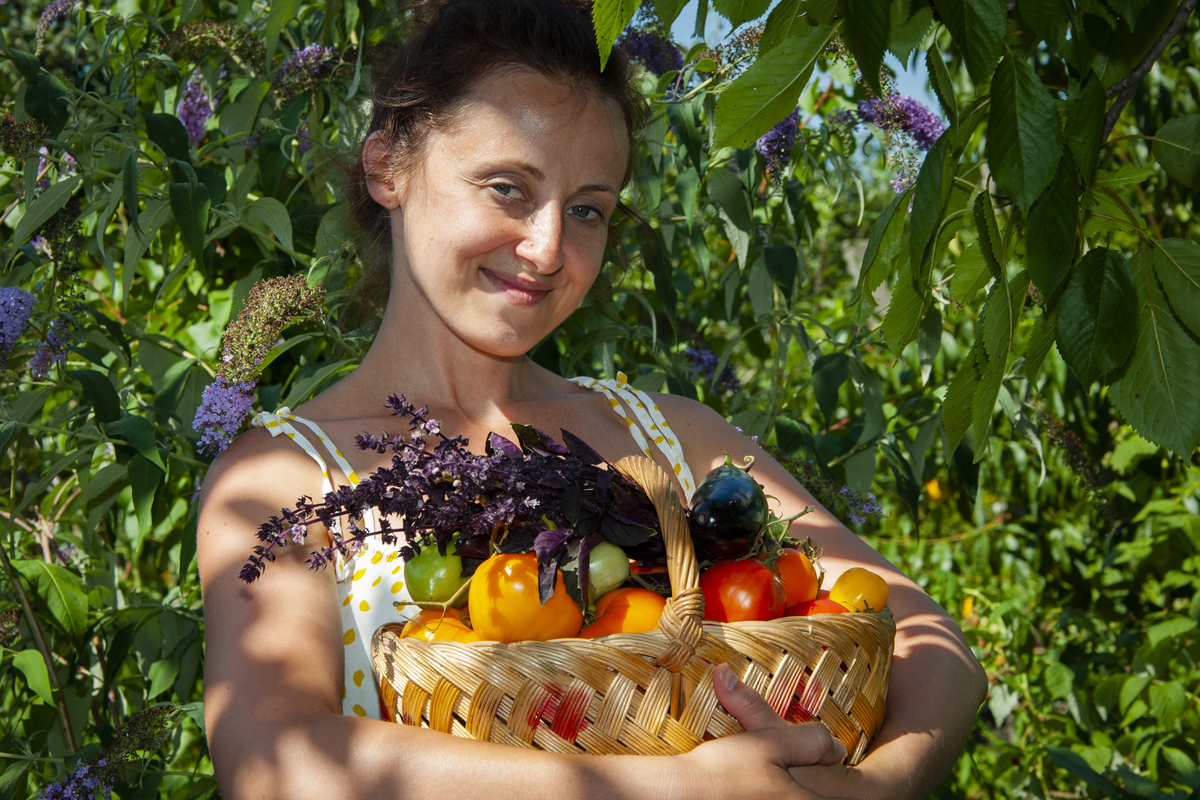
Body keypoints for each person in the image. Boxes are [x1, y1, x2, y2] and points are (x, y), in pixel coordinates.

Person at [196, 1, 988, 798]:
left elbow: (930, 640)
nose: (546, 249)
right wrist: (672, 789)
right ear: (387, 168)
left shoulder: (672, 435)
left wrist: (876, 788)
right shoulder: (281, 484)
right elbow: (273, 760)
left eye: (586, 211)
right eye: (508, 187)